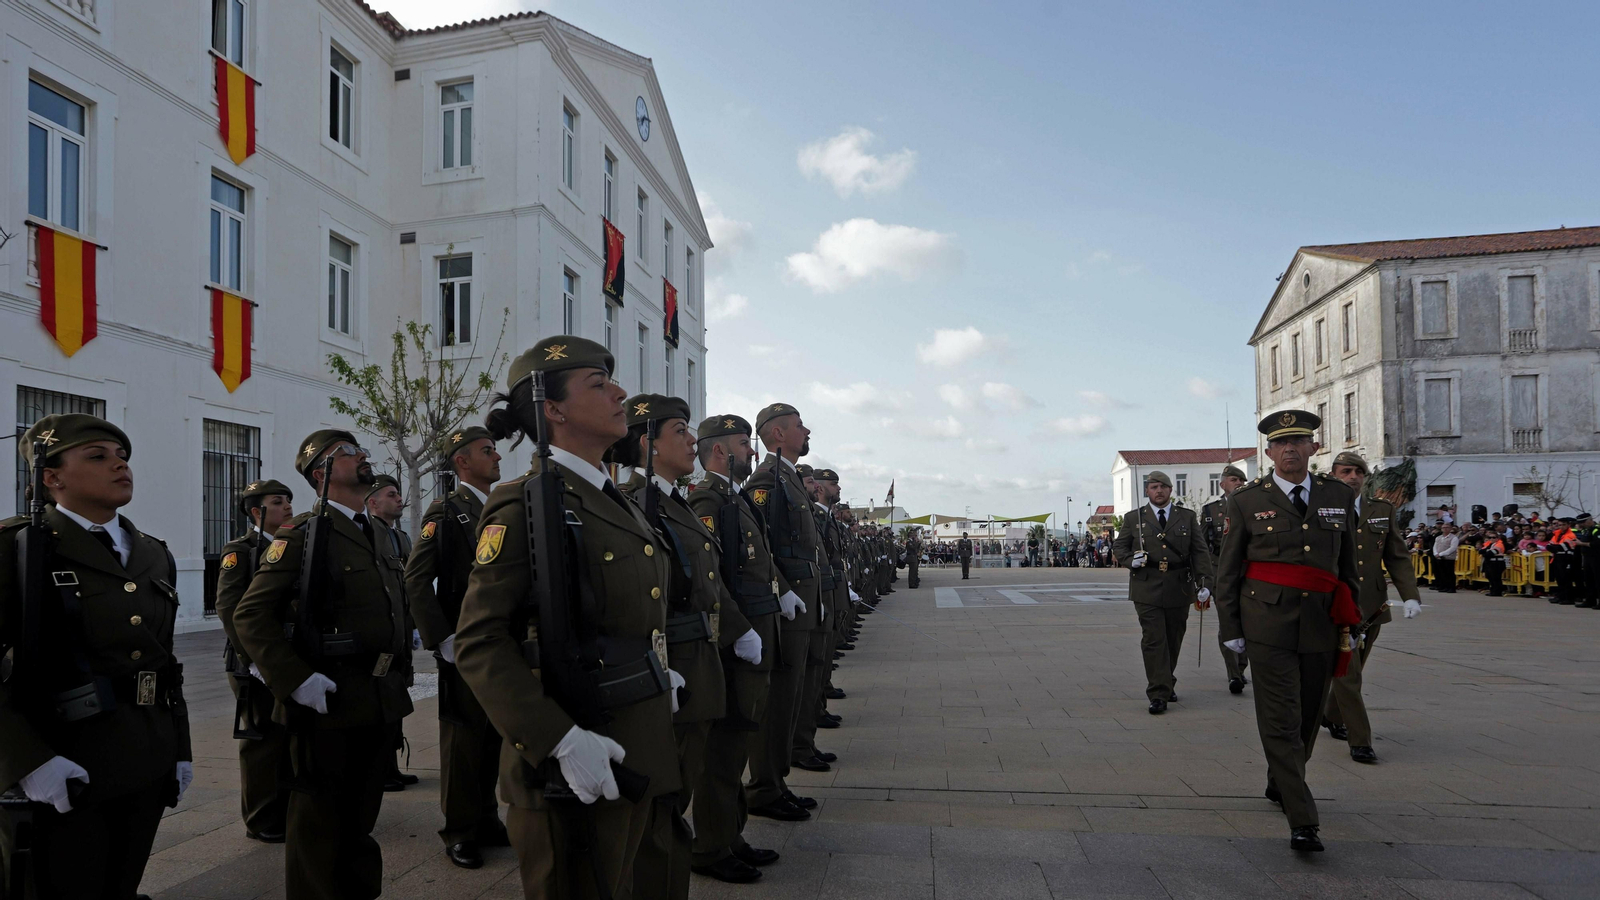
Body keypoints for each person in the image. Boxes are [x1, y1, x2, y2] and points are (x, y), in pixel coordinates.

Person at [452, 337, 680, 899]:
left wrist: (654, 670)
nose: (620, 393)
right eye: (598, 385)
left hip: (632, 737)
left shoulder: (609, 496)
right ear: (552, 409)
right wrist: (557, 739)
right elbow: (480, 640)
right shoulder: (525, 503)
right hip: (575, 752)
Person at [1, 414, 194, 898]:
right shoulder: (15, 546)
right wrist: (26, 762)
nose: (119, 465)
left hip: (146, 757)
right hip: (62, 759)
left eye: (122, 456)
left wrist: (179, 748)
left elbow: (164, 663)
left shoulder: (153, 553)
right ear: (52, 477)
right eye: (97, 456)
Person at [232, 431, 415, 900]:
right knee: (319, 821)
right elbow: (250, 614)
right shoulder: (303, 533)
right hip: (330, 697)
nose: (363, 456)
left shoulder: (379, 532)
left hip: (379, 696)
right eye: (349, 453)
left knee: (360, 817)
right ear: (322, 472)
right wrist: (295, 680)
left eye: (360, 450)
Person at [617, 395, 755, 900]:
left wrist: (738, 630)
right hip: (673, 663)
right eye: (679, 431)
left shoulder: (673, 500)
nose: (692, 440)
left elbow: (707, 581)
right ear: (648, 444)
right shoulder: (635, 502)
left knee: (681, 788)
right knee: (663, 799)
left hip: (699, 661)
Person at [1215, 409, 1360, 853]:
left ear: (1314, 447)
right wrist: (1231, 627)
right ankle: (1303, 819)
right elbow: (1229, 570)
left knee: (1309, 717)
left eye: (1298, 440)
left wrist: (1352, 620)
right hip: (1267, 623)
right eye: (1281, 443)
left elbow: (1347, 565)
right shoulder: (1246, 500)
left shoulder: (1338, 495)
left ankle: (1281, 779)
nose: (1290, 448)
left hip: (1322, 622)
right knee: (1280, 719)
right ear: (1269, 451)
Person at [403, 427, 507, 868]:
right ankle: (460, 830)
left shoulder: (499, 507)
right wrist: (442, 639)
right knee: (463, 742)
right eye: (487, 451)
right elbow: (415, 579)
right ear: (462, 461)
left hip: (498, 643)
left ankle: (486, 817)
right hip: (463, 645)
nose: (496, 457)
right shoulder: (446, 511)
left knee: (493, 738)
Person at [686, 414, 784, 882]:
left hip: (752, 635)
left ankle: (730, 834)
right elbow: (711, 578)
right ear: (721, 451)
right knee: (722, 751)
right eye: (745, 444)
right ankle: (709, 845)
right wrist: (737, 630)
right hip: (733, 640)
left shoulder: (734, 497)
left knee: (739, 742)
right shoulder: (707, 498)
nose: (752, 451)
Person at [741, 404, 822, 820]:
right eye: (798, 426)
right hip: (786, 607)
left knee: (791, 697)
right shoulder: (766, 479)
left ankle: (777, 781)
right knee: (779, 702)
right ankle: (764, 787)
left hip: (802, 604)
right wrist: (784, 591)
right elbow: (762, 547)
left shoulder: (788, 477)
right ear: (777, 434)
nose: (806, 431)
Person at [1321, 452, 1421, 764]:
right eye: (1345, 471)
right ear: (1334, 475)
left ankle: (1330, 714)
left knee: (1354, 668)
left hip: (1371, 605)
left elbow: (1396, 556)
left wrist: (1410, 596)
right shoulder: (1321, 509)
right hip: (1336, 605)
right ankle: (1360, 740)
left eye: (1358, 472)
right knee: (1349, 675)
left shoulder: (1381, 509)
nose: (1353, 477)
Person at [215, 478, 296, 843]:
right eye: (278, 502)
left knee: (288, 737)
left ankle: (288, 808)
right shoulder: (242, 550)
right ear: (255, 512)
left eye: (288, 500)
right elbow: (228, 606)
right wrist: (253, 660)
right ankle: (261, 818)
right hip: (251, 663)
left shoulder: (293, 545)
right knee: (262, 740)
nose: (288, 506)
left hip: (285, 656)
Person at [1111, 471, 1214, 714]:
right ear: (1147, 491)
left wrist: (1205, 583)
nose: (1158, 490)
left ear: (1170, 490)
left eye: (1163, 486)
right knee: (1154, 639)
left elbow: (1199, 552)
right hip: (1146, 586)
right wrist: (1130, 560)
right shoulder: (1134, 518)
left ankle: (1166, 681)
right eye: (1154, 487)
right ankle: (1158, 692)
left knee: (1173, 638)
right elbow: (1119, 546)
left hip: (1179, 586)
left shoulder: (1187, 517)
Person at [365, 473, 420, 795]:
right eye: (391, 494)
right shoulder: (368, 533)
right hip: (384, 633)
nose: (399, 499)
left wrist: (414, 625)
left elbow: (407, 585)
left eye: (398, 494)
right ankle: (379, 769)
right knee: (382, 702)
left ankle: (391, 766)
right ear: (372, 502)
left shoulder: (400, 537)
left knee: (397, 697)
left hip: (402, 631)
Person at [1201, 465, 1251, 694]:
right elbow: (1202, 547)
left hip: (1249, 573)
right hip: (1221, 573)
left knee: (1248, 622)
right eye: (1234, 480)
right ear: (1222, 484)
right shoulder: (1211, 510)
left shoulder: (1254, 506)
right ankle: (1234, 674)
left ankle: (1241, 667)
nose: (1239, 483)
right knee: (1227, 622)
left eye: (1241, 480)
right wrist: (1203, 579)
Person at [1431, 523, 1459, 594]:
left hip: (1449, 558)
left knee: (1449, 573)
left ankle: (1451, 588)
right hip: (1439, 558)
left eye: (1447, 527)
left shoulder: (1454, 538)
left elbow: (1453, 548)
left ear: (1450, 528)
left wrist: (1441, 554)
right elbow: (1435, 546)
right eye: (1443, 527)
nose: (1445, 529)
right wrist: (1436, 553)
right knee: (1442, 573)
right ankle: (1444, 586)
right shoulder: (1438, 537)